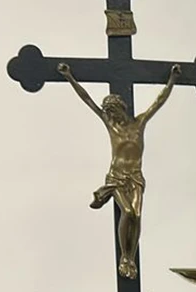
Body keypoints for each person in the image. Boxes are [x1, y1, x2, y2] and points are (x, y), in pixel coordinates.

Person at [56, 62, 181, 279]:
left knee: (137, 216)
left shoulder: (139, 123)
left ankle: (131, 257)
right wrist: (69, 77)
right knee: (128, 212)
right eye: (109, 113)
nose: (112, 116)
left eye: (114, 112)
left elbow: (159, 101)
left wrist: (172, 80)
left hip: (135, 177)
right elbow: (87, 100)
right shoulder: (111, 125)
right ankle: (125, 257)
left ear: (122, 109)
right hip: (116, 177)